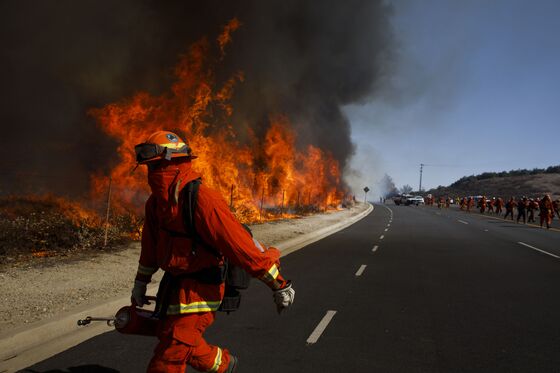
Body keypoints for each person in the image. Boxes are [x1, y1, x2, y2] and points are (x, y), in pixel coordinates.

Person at [130, 131, 295, 373]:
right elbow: (150, 247)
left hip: (203, 288)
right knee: (171, 337)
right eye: (149, 168)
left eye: (156, 167)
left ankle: (222, 365)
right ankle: (224, 365)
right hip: (174, 286)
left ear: (173, 161)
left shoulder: (203, 200)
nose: (152, 174)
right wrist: (140, 283)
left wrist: (279, 284)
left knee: (171, 354)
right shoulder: (156, 203)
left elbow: (242, 249)